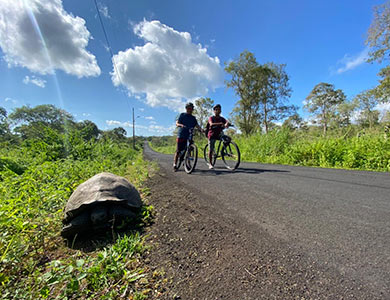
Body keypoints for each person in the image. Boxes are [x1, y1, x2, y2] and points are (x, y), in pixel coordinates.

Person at [173, 102, 203, 171]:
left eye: (191, 108)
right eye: (188, 108)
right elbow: (177, 123)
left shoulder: (193, 118)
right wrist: (181, 125)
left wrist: (201, 130)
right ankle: (175, 164)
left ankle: (188, 163)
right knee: (178, 150)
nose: (190, 110)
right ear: (186, 109)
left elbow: (197, 125)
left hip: (189, 134)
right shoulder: (182, 115)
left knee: (190, 148)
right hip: (182, 134)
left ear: (192, 109)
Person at [206, 104, 229, 169]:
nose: (218, 111)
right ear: (214, 111)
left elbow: (226, 121)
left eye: (219, 109)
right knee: (211, 149)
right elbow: (211, 124)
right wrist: (220, 124)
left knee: (228, 139)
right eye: (216, 110)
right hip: (212, 134)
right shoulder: (211, 118)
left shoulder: (221, 118)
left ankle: (222, 151)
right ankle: (210, 164)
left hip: (219, 134)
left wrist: (227, 124)